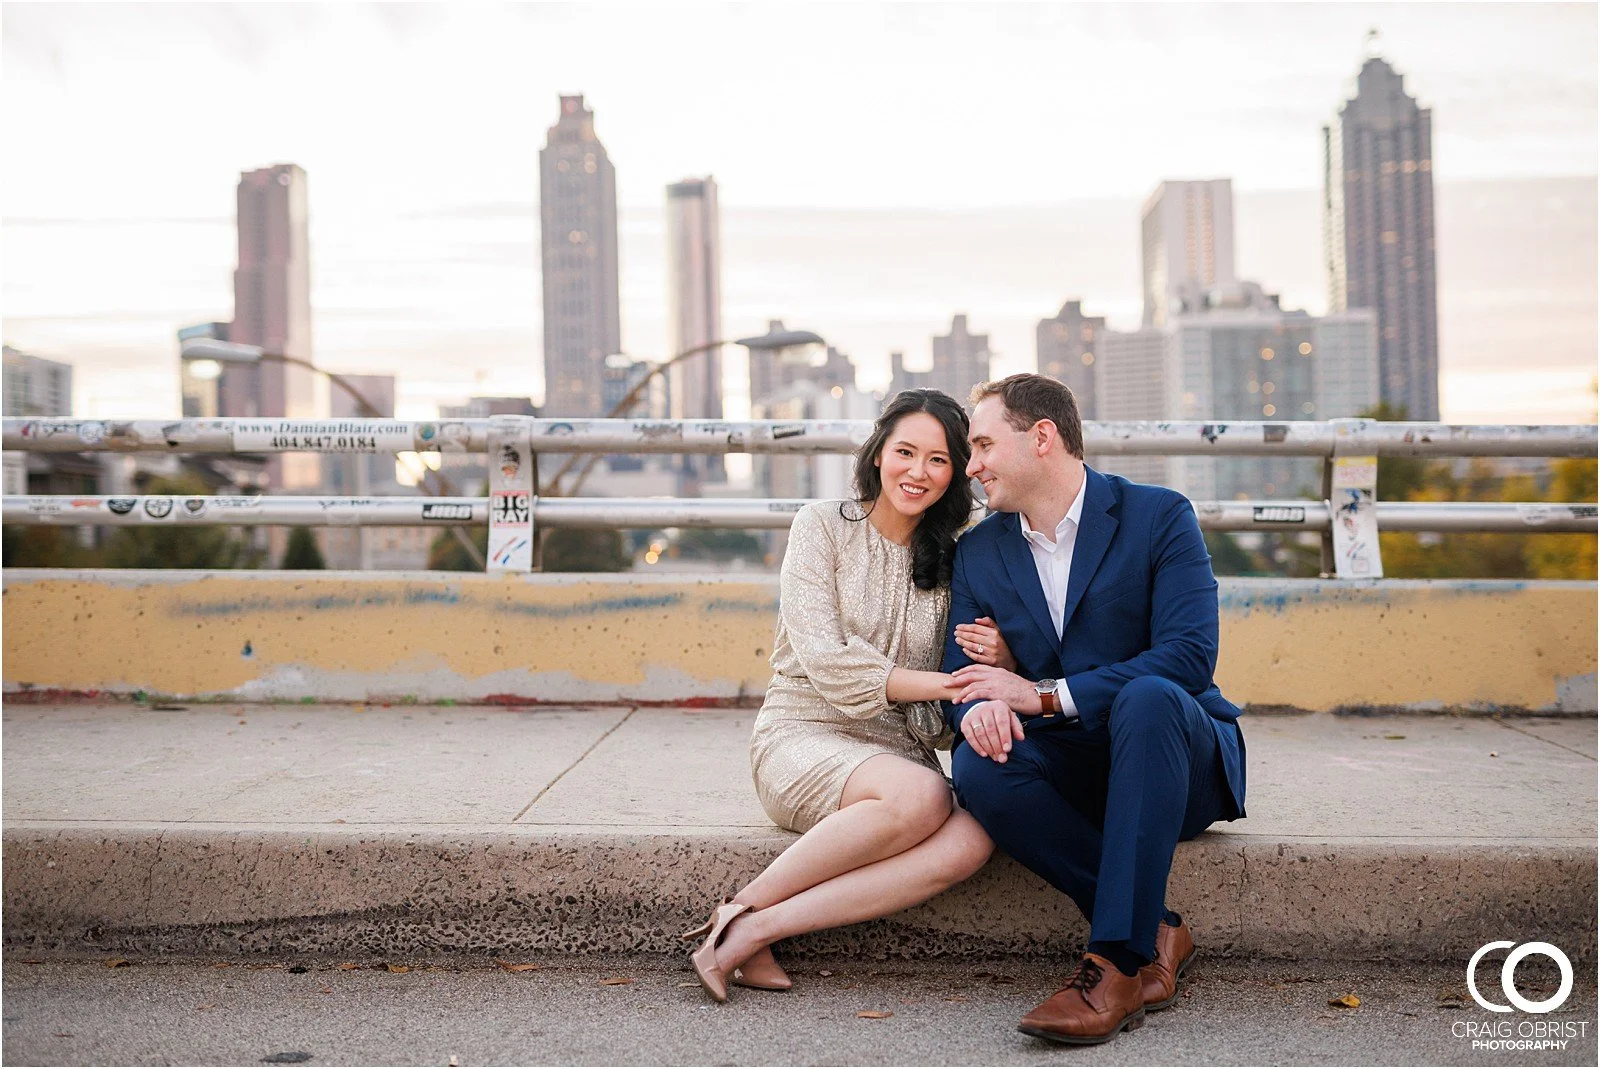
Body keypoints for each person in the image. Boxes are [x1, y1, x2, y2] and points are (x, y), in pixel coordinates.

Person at [943, 373, 1247, 1046]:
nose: (973, 466)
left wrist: (1040, 692)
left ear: (1042, 437)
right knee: (981, 764)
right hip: (1076, 760)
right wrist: (978, 713)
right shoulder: (980, 550)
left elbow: (1189, 656)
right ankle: (1160, 928)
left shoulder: (1160, 515)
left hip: (1176, 752)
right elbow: (958, 672)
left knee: (1148, 695)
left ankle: (1114, 961)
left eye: (985, 444)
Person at [685, 389, 1004, 1002]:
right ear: (878, 451)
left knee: (974, 838)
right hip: (803, 735)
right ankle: (737, 911)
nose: (918, 472)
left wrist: (999, 656)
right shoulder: (821, 526)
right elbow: (828, 663)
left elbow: (939, 723)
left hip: (895, 754)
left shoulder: (958, 553)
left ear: (956, 471)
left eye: (938, 460)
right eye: (905, 451)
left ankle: (755, 928)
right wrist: (946, 683)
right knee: (925, 793)